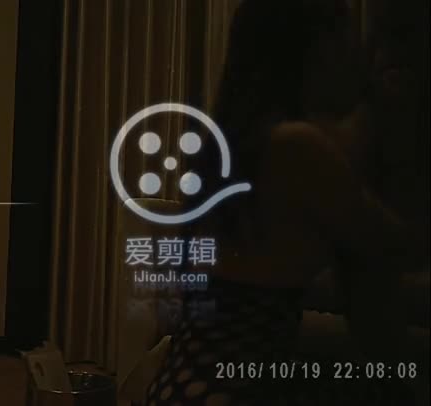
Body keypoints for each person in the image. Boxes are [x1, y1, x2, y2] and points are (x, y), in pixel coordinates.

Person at [146, 0, 426, 404]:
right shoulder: (296, 146)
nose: (352, 50)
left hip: (190, 384)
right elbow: (397, 245)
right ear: (312, 46)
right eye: (343, 34)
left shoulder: (242, 142)